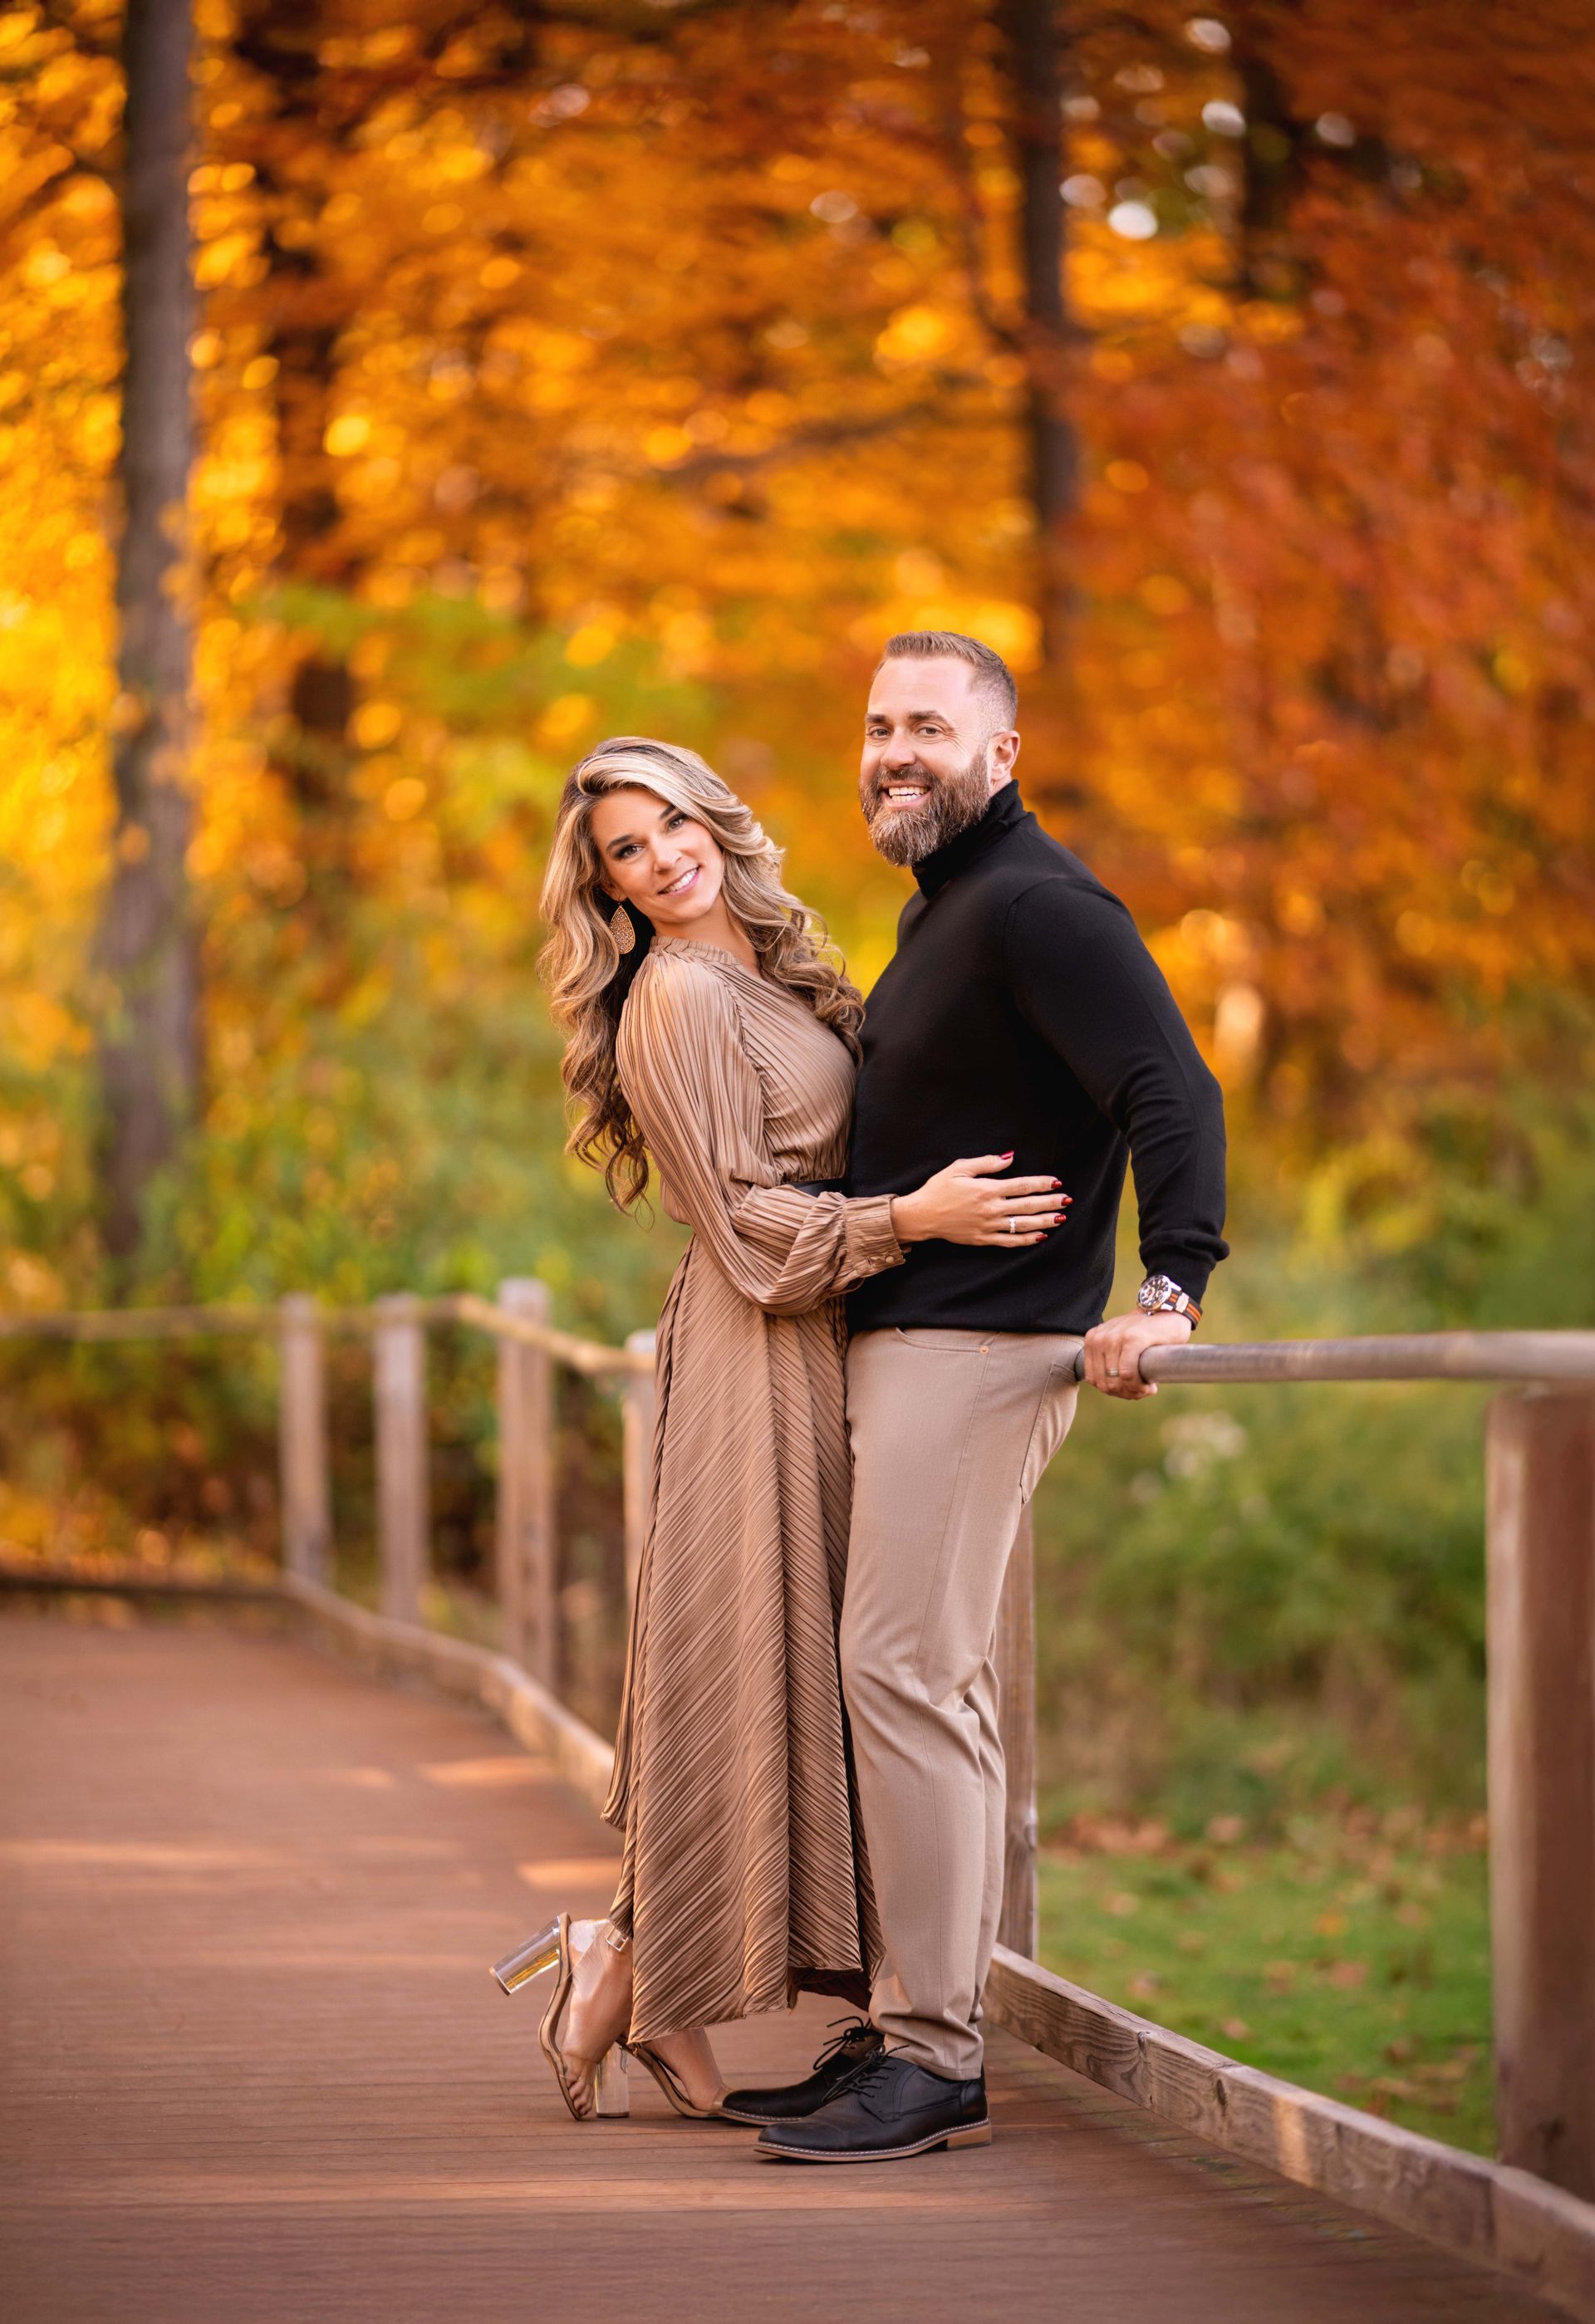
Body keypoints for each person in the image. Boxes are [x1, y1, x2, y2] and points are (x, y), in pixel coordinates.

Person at [493, 735, 1070, 2125]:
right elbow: (744, 1226)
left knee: (800, 1663)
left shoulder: (769, 954)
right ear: (610, 889)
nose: (662, 857)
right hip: (761, 1347)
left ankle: (623, 1967)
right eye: (627, 851)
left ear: (712, 819)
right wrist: (908, 1221)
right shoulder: (676, 998)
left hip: (832, 1339)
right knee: (742, 1656)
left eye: (672, 824)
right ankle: (633, 1964)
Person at [737, 633, 1229, 2164]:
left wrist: (1169, 1291)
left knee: (900, 1673)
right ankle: (906, 2020)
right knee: (920, 1682)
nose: (895, 750)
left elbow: (1173, 1089)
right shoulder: (945, 910)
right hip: (914, 1343)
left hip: (983, 1347)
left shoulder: (1041, 904)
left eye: (930, 728)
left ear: (1000, 755)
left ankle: (938, 2054)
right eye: (880, 725)